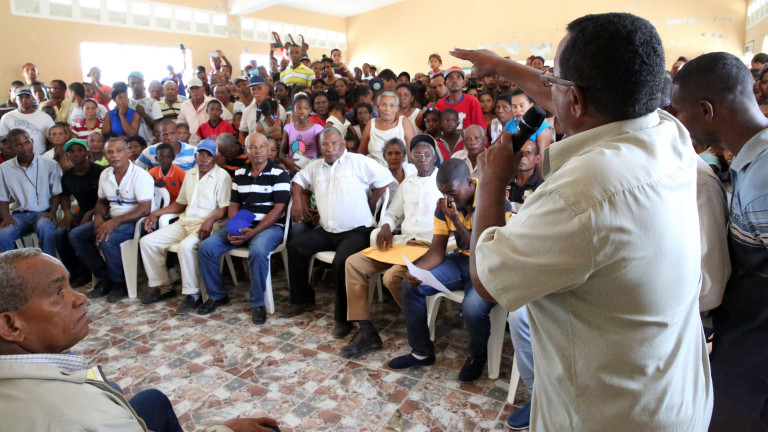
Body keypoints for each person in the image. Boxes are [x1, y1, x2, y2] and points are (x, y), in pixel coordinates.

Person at [453, 12, 712, 431]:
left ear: (574, 98)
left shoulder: (581, 194)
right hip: (672, 394)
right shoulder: (667, 133)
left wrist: (492, 180)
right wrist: (500, 65)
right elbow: (579, 95)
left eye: (553, 80)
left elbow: (486, 280)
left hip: (612, 415)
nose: (546, 87)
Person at [0, 248, 282, 432]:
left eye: (70, 285)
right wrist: (226, 429)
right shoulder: (85, 415)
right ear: (11, 325)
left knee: (151, 400)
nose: (80, 298)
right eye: (58, 292)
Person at [671, 52, 768, 431]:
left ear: (706, 110)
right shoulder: (751, 162)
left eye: (681, 113)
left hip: (755, 375)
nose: (679, 124)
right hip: (742, 352)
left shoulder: (764, 179)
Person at [387, 159, 510, 383]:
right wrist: (417, 271)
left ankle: (477, 356)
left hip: (489, 265)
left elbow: (485, 250)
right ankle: (421, 352)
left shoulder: (495, 201)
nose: (447, 199)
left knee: (472, 308)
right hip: (461, 261)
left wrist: (456, 220)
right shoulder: (444, 206)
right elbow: (437, 250)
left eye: (452, 192)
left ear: (469, 182)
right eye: (443, 193)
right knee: (411, 285)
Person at [284, 127, 393, 338]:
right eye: (325, 144)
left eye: (334, 143)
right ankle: (302, 300)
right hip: (328, 230)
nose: (329, 148)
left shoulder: (358, 161)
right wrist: (297, 199)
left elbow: (386, 179)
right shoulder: (315, 166)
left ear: (342, 144)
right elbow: (297, 180)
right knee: (295, 246)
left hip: (357, 230)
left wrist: (371, 202)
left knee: (342, 262)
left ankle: (344, 318)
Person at [342, 136, 441, 357]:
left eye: (426, 155)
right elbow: (392, 213)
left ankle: (419, 319)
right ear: (411, 159)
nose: (422, 159)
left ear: (434, 157)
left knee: (391, 278)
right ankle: (366, 330)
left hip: (428, 247)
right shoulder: (408, 183)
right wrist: (386, 225)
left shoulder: (443, 182)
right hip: (403, 243)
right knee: (353, 263)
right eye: (417, 155)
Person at [197, 133, 290, 323]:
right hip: (243, 225)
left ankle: (258, 302)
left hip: (270, 228)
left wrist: (254, 232)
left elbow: (278, 210)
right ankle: (216, 295)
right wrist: (236, 228)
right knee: (206, 248)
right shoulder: (239, 174)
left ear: (268, 149)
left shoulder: (280, 174)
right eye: (253, 147)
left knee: (258, 251)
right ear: (246, 151)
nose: (258, 151)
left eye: (262, 146)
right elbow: (233, 205)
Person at [140, 139, 232, 313]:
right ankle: (164, 287)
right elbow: (181, 203)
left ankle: (193, 294)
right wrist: (156, 213)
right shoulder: (190, 174)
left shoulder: (222, 176)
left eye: (208, 155)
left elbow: (224, 208)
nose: (204, 159)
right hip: (185, 222)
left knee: (185, 247)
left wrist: (210, 221)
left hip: (206, 226)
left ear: (215, 157)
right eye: (200, 155)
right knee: (147, 242)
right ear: (195, 157)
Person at [69, 137, 154, 303]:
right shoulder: (105, 174)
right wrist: (99, 217)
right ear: (105, 155)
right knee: (76, 235)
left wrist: (113, 222)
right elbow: (102, 201)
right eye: (110, 152)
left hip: (137, 221)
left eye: (119, 150)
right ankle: (104, 277)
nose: (115, 155)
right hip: (113, 218)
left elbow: (145, 209)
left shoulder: (140, 175)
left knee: (107, 239)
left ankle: (119, 283)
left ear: (128, 152)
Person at [0, 129, 61, 256]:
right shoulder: (4, 168)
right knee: (3, 234)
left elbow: (56, 193)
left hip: (43, 213)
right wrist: (6, 217)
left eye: (27, 143)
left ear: (32, 141)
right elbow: (3, 196)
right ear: (11, 147)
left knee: (45, 228)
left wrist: (53, 212)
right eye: (18, 145)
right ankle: (10, 267)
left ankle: (49, 266)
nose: (24, 148)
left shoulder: (50, 164)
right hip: (19, 216)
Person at [55, 138, 105, 287]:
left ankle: (101, 275)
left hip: (102, 213)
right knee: (59, 234)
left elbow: (106, 199)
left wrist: (89, 214)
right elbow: (64, 196)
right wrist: (67, 213)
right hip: (81, 213)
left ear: (86, 152)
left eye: (79, 150)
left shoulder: (100, 172)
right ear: (67, 155)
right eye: (71, 151)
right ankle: (78, 272)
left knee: (76, 234)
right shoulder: (68, 175)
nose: (76, 154)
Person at [360, 91, 415, 166]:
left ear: (397, 108)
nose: (387, 109)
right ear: (378, 107)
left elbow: (412, 153)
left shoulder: (404, 122)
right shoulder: (371, 124)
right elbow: (362, 152)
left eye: (392, 105)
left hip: (398, 171)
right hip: (373, 171)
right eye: (384, 105)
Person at [178, 78, 232, 146]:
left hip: (211, 144)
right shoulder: (184, 105)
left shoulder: (213, 102)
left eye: (197, 88)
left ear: (203, 89)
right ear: (188, 91)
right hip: (190, 143)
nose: (195, 91)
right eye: (192, 89)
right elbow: (180, 123)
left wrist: (218, 133)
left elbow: (229, 118)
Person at [0, 88, 54, 154]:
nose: (24, 100)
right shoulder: (7, 117)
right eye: (20, 97)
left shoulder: (45, 117)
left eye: (27, 97)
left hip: (41, 156)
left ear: (33, 98)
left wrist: (47, 155)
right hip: (16, 157)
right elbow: (3, 140)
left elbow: (52, 140)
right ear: (15, 100)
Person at [279, 93, 323, 175]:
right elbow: (282, 153)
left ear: (310, 110)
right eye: (299, 108)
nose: (302, 112)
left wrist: (311, 164)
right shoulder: (288, 128)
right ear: (293, 109)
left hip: (311, 169)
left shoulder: (317, 129)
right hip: (293, 168)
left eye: (305, 108)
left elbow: (322, 154)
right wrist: (288, 161)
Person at [126, 72, 163, 143]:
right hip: (132, 145)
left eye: (139, 83)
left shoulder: (153, 102)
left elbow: (157, 127)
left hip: (150, 143)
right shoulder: (126, 103)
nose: (136, 86)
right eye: (133, 83)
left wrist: (143, 114)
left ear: (143, 83)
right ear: (128, 85)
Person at [505, 140, 544, 205]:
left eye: (528, 153)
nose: (522, 157)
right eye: (519, 153)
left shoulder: (542, 187)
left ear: (537, 158)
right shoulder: (502, 181)